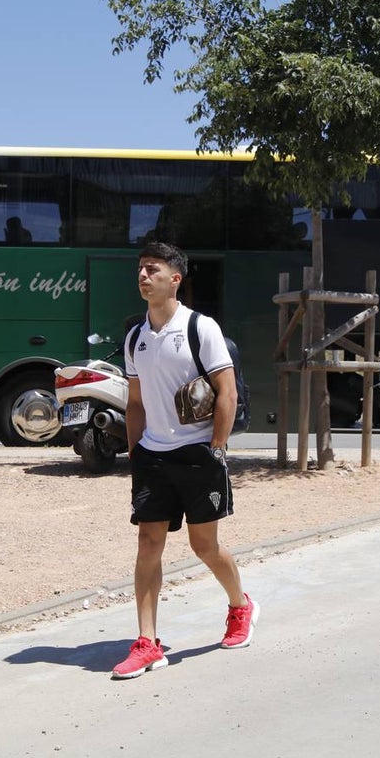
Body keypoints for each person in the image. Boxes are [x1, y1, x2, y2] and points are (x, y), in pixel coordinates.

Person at [112, 241, 258, 679]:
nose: (142, 276)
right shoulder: (135, 337)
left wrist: (216, 447)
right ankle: (147, 642)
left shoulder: (201, 327)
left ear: (174, 279)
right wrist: (135, 453)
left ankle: (240, 605)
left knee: (204, 547)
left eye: (151, 269)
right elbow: (135, 403)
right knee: (148, 543)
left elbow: (226, 392)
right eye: (140, 269)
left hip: (198, 453)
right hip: (152, 455)